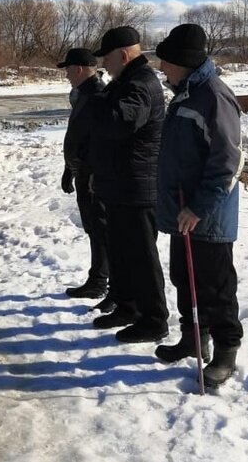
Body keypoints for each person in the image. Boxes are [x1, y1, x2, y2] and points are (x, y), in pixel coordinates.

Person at [153, 23, 244, 387]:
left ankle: (225, 352)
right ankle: (193, 340)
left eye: (166, 63)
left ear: (184, 62)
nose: (162, 69)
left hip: (207, 216)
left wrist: (198, 207)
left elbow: (228, 161)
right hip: (183, 209)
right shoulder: (186, 93)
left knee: (216, 287)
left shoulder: (214, 96)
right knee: (184, 278)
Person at [88, 26, 169, 343]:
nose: (103, 65)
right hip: (122, 184)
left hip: (138, 187)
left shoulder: (140, 84)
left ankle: (154, 319)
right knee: (122, 251)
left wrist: (94, 100)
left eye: (106, 59)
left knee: (142, 256)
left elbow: (119, 123)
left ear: (122, 56)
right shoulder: (126, 81)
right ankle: (128, 306)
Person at [58, 48, 113, 311]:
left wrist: (90, 173)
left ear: (79, 69)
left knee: (100, 228)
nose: (67, 75)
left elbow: (98, 141)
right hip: (83, 172)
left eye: (68, 70)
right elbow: (79, 136)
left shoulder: (96, 95)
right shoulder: (84, 94)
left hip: (94, 175)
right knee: (93, 227)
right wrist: (69, 168)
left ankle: (103, 281)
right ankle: (98, 279)